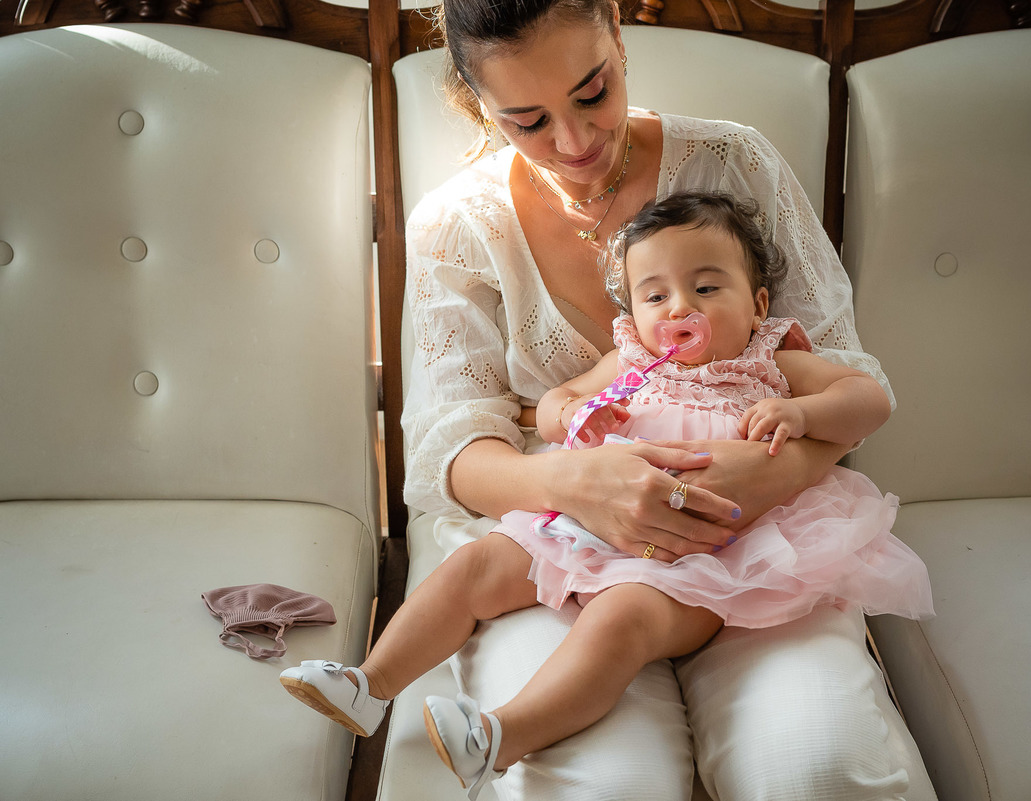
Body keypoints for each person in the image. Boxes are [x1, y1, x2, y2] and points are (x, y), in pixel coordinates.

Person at [290, 1, 938, 798]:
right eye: (527, 121)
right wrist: (576, 476)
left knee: (816, 763)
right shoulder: (455, 228)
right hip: (562, 524)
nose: (574, 143)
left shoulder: (736, 165)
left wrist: (766, 473)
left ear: (619, 37)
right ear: (477, 101)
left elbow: (848, 383)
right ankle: (375, 686)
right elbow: (452, 450)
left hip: (758, 535)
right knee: (601, 785)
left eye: (592, 93)